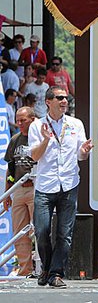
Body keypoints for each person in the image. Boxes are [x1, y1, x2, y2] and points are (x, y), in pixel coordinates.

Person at [28, 86, 93, 288]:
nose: (64, 101)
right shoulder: (36, 125)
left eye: (66, 98)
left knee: (64, 234)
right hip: (46, 184)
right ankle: (46, 268)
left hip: (69, 183)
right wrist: (46, 140)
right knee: (41, 230)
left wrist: (84, 151)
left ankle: (56, 273)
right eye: (59, 98)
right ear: (48, 101)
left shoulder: (75, 123)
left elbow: (81, 155)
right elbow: (35, 156)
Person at [3, 106, 37, 276]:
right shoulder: (15, 139)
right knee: (19, 232)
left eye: (23, 120)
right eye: (17, 120)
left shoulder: (39, 137)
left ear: (33, 119)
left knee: (39, 230)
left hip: (36, 188)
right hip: (18, 190)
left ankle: (42, 268)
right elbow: (10, 168)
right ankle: (25, 270)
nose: (19, 124)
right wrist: (7, 193)